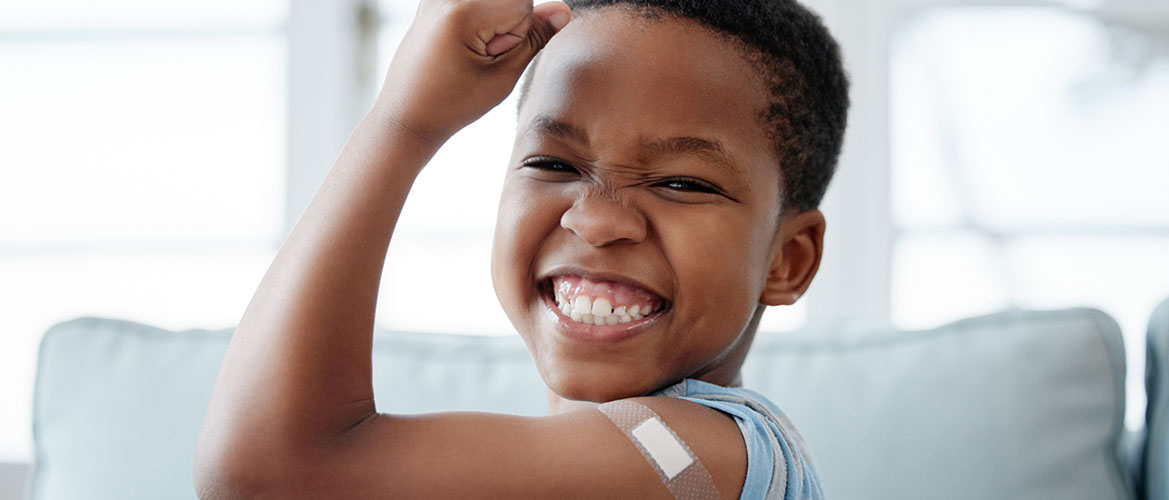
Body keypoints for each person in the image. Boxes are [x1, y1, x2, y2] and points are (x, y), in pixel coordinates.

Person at [194, 0, 849, 498]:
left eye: (681, 182)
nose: (594, 219)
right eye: (554, 165)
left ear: (786, 260)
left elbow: (272, 471)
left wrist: (405, 121)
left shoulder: (701, 455)